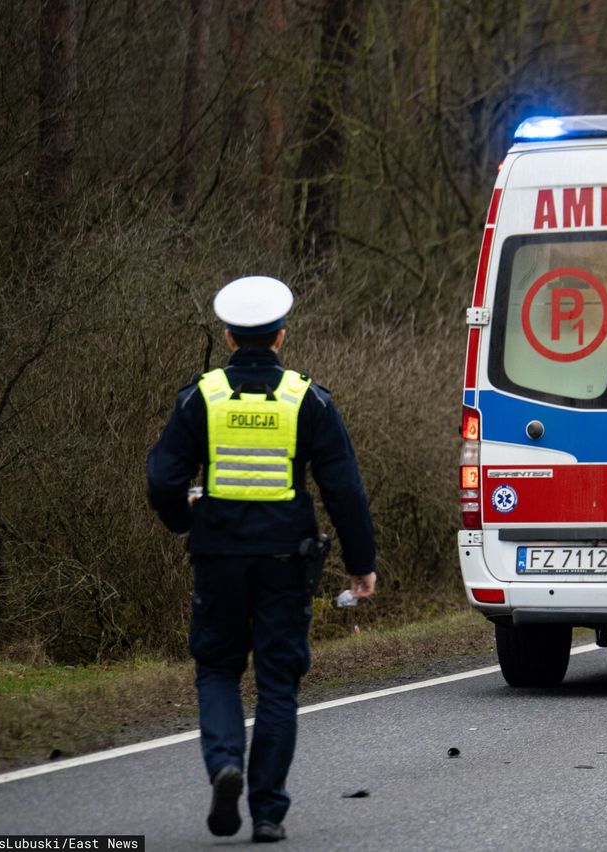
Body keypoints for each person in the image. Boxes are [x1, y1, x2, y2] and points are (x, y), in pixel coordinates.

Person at [147, 276, 376, 843]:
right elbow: (343, 488)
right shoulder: (308, 398)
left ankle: (225, 761)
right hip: (284, 560)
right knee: (278, 681)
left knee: (219, 667)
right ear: (280, 337)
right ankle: (267, 811)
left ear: (228, 337)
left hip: (218, 555)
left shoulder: (201, 397)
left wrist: (186, 517)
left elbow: (161, 479)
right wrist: (360, 562)